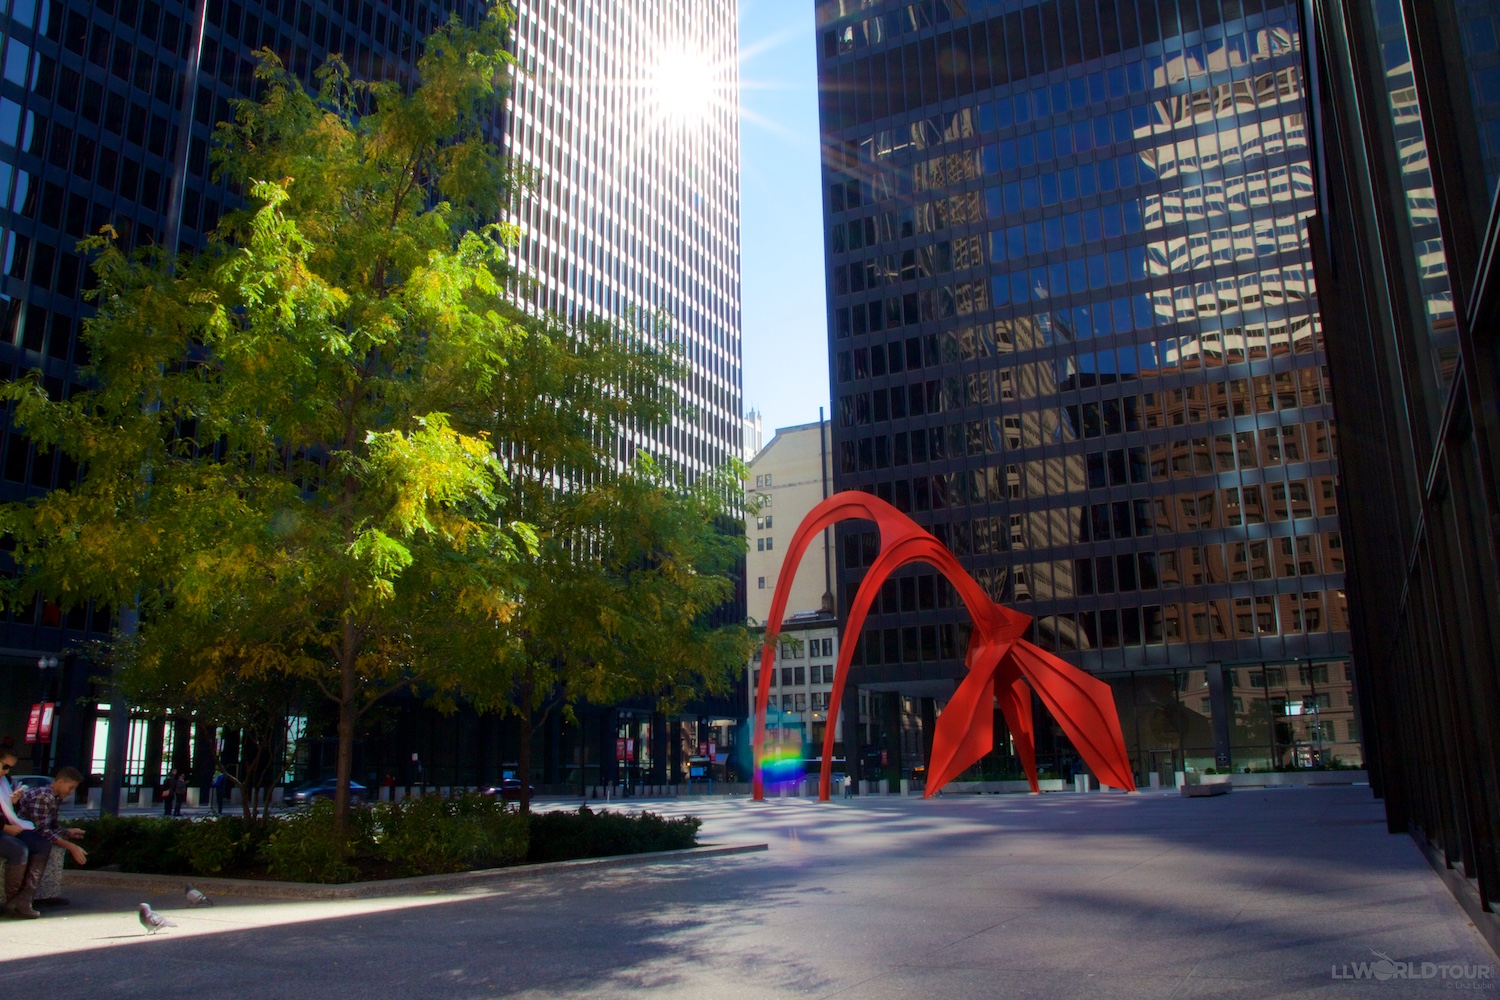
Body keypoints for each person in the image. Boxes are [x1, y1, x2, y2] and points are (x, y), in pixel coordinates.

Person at [9, 766, 86, 919]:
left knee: (46, 843)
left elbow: (52, 826)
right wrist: (71, 847)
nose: (71, 792)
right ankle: (23, 899)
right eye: (70, 787)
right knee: (42, 845)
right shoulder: (44, 796)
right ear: (60, 782)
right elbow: (42, 830)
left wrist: (67, 832)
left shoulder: (54, 797)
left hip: (30, 830)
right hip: (20, 830)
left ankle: (26, 898)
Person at [0, 737, 36, 911]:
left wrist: (14, 800)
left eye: (10, 768)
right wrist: (5, 827)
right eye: (4, 766)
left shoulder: (4, 781)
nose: (6, 772)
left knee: (39, 842)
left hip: (7, 827)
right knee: (18, 849)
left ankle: (23, 899)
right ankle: (13, 901)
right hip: (4, 829)